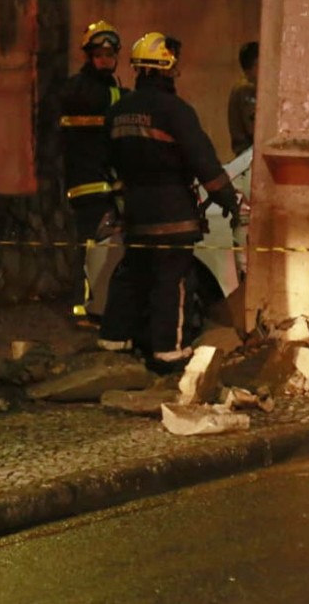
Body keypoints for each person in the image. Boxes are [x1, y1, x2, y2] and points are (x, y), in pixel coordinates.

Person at [97, 32, 243, 373]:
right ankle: (168, 352)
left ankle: (114, 342)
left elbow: (106, 161)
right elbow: (203, 161)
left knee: (132, 274)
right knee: (171, 281)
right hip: (172, 214)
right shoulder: (175, 111)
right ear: (166, 68)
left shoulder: (118, 111)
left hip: (134, 213)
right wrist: (229, 199)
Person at [58, 19, 128, 326]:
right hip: (91, 183)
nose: (105, 59)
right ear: (89, 56)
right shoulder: (85, 90)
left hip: (101, 182)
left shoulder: (105, 88)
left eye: (109, 54)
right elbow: (106, 111)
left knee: (100, 246)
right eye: (99, 54)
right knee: (93, 248)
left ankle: (94, 304)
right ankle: (86, 309)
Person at [227, 41, 259, 156]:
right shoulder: (246, 89)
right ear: (256, 64)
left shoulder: (244, 88)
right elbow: (254, 129)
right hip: (247, 156)